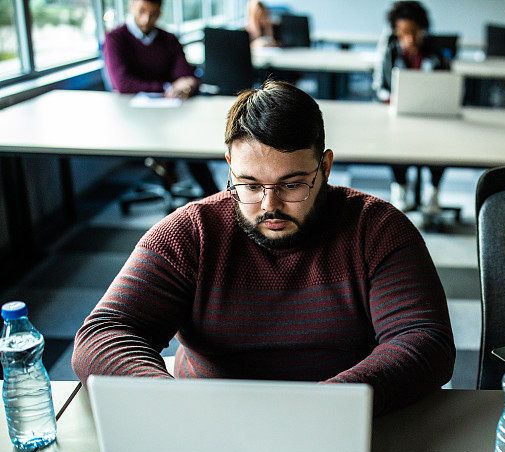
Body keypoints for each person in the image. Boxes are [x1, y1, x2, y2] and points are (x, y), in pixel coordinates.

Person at [72, 81, 456, 416]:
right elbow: (102, 334)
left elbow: (424, 340)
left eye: (291, 185)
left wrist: (324, 406)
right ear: (229, 167)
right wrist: (171, 402)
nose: (269, 205)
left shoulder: (377, 229)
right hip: (208, 425)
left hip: (340, 423)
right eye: (250, 185)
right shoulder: (190, 233)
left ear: (325, 167)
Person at [103, 0, 218, 197]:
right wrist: (166, 88)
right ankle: (204, 191)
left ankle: (215, 198)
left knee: (190, 136)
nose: (147, 19)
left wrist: (188, 83)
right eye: (142, 11)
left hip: (171, 112)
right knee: (184, 138)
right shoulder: (115, 38)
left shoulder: (168, 39)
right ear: (131, 6)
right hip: (133, 116)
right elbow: (122, 84)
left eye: (154, 13)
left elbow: (186, 74)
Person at [373, 1, 449, 214]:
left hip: (431, 116)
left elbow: (447, 86)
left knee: (444, 144)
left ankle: (433, 192)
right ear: (396, 32)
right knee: (395, 143)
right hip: (399, 115)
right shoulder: (390, 51)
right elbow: (379, 87)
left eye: (414, 32)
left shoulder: (436, 53)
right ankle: (400, 188)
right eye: (404, 32)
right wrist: (393, 97)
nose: (410, 38)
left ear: (423, 30)